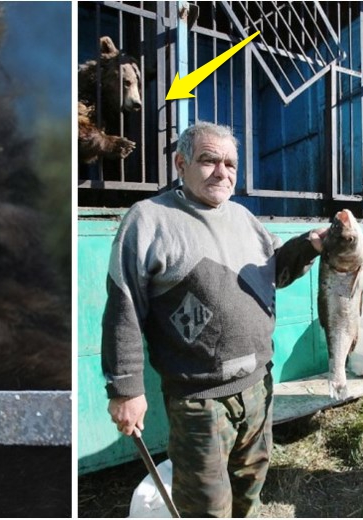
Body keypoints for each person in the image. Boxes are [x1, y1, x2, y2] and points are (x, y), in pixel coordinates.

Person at [101, 122, 325, 517]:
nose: (222, 172)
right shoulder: (149, 219)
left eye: (231, 164)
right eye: (208, 161)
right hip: (199, 401)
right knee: (206, 507)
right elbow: (124, 307)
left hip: (258, 388)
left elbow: (275, 273)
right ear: (180, 163)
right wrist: (126, 389)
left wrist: (310, 246)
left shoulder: (243, 218)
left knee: (249, 492)